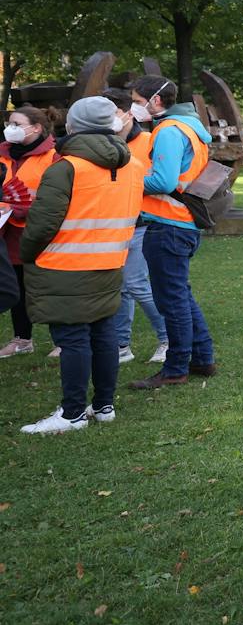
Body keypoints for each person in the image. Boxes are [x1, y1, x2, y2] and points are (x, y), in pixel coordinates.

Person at [17, 98, 142, 433]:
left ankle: (72, 413)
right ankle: (103, 406)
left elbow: (42, 224)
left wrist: (27, 254)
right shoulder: (132, 165)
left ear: (73, 126)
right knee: (103, 335)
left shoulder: (66, 167)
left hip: (65, 264)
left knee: (72, 338)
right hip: (110, 261)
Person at [125, 77, 217, 389]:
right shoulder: (190, 127)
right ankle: (202, 359)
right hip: (183, 223)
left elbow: (164, 183)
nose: (133, 107)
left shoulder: (167, 131)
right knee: (180, 295)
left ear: (156, 100)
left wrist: (127, 183)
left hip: (168, 224)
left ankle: (176, 368)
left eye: (137, 100)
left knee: (172, 300)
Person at [101, 90, 169, 366]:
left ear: (126, 113)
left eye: (111, 114)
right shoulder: (103, 143)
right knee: (121, 287)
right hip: (112, 223)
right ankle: (121, 344)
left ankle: (168, 339)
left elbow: (160, 179)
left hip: (142, 222)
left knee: (137, 284)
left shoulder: (149, 140)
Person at [1, 106, 59, 359]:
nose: (9, 128)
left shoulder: (54, 156)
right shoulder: (2, 153)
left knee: (47, 287)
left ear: (36, 127)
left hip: (40, 230)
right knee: (16, 286)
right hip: (7, 233)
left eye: (16, 123)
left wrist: (24, 207)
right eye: (9, 123)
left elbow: (57, 196)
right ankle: (22, 339)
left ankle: (62, 340)